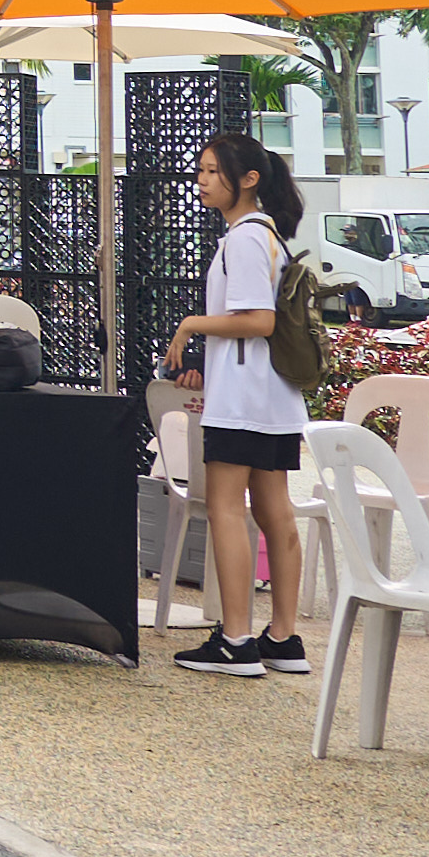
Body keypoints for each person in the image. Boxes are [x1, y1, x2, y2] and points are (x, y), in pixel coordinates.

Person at [162, 131, 316, 679]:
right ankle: (282, 638)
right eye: (200, 171)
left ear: (248, 180)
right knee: (275, 509)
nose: (201, 181)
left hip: (246, 398)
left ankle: (235, 640)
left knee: (228, 508)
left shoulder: (245, 238)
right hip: (272, 395)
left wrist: (189, 325)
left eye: (211, 172)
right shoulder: (266, 234)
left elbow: (257, 321)